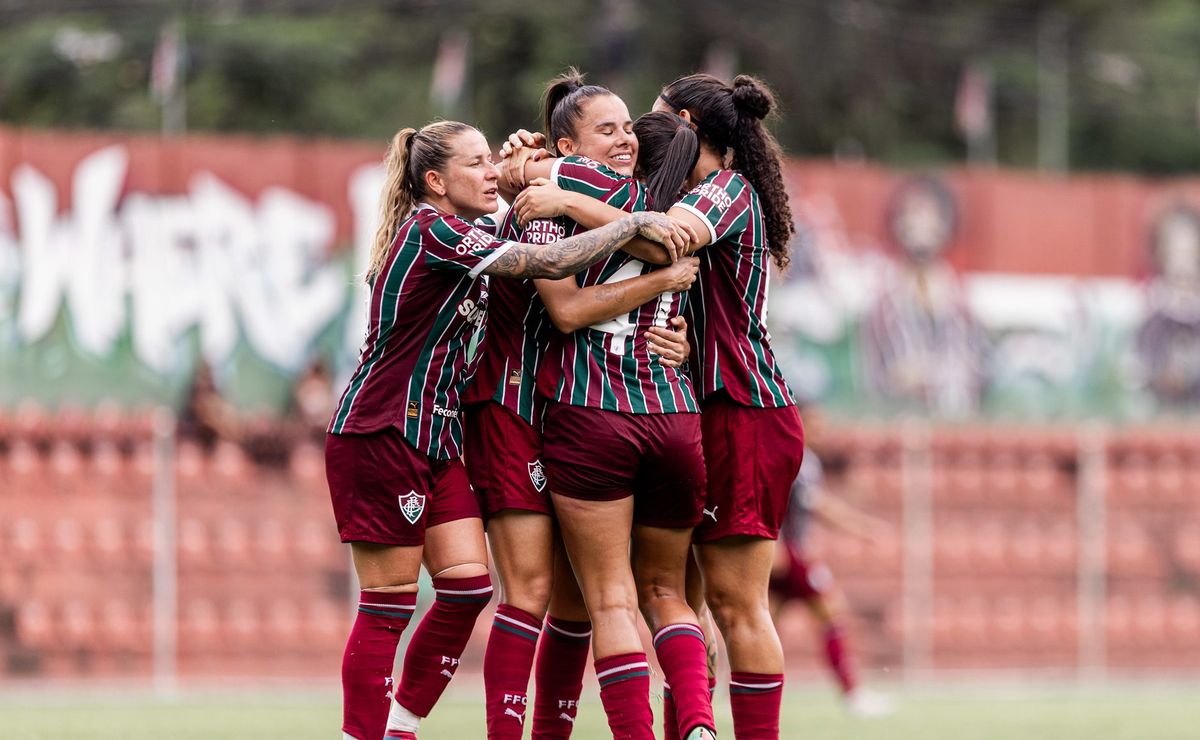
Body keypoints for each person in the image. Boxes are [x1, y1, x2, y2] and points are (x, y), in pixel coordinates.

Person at [324, 119, 688, 740]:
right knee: (388, 606)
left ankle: (400, 725)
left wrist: (535, 169)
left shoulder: (466, 231)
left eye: (492, 159)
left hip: (439, 439)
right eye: (476, 164)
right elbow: (544, 260)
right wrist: (629, 222)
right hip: (383, 429)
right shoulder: (432, 229)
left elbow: (530, 229)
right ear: (436, 181)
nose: (491, 171)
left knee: (468, 589)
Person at [512, 73, 805, 739]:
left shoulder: (724, 191)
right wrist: (538, 159)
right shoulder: (676, 193)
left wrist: (561, 192)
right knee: (683, 601)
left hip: (743, 408)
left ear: (688, 127)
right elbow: (641, 223)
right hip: (692, 407)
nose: (637, 137)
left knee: (737, 605)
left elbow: (657, 242)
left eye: (650, 120)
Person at [462, 69, 698, 740]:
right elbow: (564, 310)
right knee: (536, 592)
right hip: (516, 402)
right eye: (609, 129)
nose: (626, 137)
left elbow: (660, 247)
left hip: (573, 409)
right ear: (568, 144)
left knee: (575, 604)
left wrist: (671, 327)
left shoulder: (604, 194)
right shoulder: (546, 194)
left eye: (629, 127)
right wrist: (659, 277)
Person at [769, 404, 893, 717]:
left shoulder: (802, 458)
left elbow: (812, 505)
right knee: (831, 614)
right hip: (790, 553)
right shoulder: (795, 457)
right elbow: (787, 502)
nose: (821, 430)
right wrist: (863, 527)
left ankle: (739, 691)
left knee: (766, 624)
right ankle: (852, 694)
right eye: (815, 423)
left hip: (777, 552)